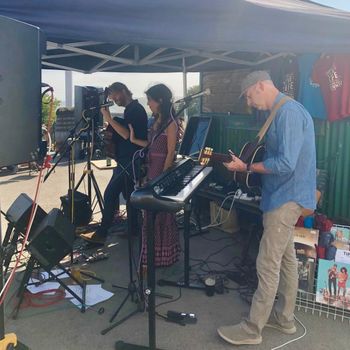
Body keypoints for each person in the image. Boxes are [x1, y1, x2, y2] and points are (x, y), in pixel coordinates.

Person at [217, 71, 316, 345]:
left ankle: (252, 329)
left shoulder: (289, 113)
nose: (249, 103)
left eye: (249, 95)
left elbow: (286, 164)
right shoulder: (279, 112)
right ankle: (284, 320)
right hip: (280, 196)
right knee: (285, 261)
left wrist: (246, 167)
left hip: (286, 198)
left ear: (260, 86)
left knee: (267, 263)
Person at [81, 82, 148, 244]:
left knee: (110, 194)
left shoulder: (135, 110)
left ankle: (102, 233)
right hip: (126, 160)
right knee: (128, 195)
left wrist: (109, 119)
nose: (113, 99)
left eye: (115, 95)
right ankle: (134, 230)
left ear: (124, 91)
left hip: (130, 160)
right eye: (111, 96)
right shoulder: (130, 110)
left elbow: (126, 135)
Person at [129, 84, 180, 267]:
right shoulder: (157, 120)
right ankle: (150, 257)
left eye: (150, 100)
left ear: (160, 100)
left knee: (160, 217)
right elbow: (150, 145)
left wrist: (163, 179)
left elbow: (170, 152)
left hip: (160, 173)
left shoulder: (171, 122)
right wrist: (134, 140)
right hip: (151, 170)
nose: (148, 103)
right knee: (148, 217)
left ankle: (161, 257)